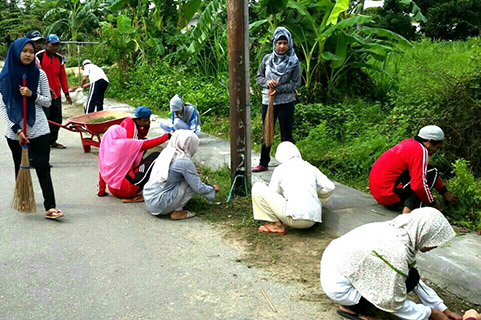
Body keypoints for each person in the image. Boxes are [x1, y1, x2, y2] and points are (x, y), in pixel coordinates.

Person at [320, 207, 462, 320]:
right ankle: (351, 308)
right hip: (340, 287)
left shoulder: (399, 231)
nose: (434, 246)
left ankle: (355, 304)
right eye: (433, 240)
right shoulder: (396, 254)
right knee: (399, 286)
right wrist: (430, 313)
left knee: (412, 276)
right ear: (423, 233)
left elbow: (414, 279)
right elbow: (393, 302)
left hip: (336, 267)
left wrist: (442, 308)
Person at [0, 38, 63, 219]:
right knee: (20, 167)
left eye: (31, 51)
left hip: (39, 129)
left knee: (43, 167)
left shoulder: (39, 74)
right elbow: (3, 107)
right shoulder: (5, 77)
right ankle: (24, 197)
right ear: (16, 52)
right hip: (14, 131)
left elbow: (47, 101)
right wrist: (17, 129)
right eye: (24, 51)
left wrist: (31, 94)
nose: (28, 54)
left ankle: (50, 206)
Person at [251, 141, 335, 235]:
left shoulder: (280, 169)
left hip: (295, 220)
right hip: (314, 219)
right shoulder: (310, 167)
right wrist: (316, 197)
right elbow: (330, 186)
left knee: (257, 188)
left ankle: (276, 225)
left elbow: (273, 192)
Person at [369, 125, 457, 214]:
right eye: (437, 147)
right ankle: (408, 211)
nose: (436, 151)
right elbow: (419, 186)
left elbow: (427, 169)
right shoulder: (421, 151)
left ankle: (407, 205)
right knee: (432, 172)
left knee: (430, 171)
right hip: (389, 197)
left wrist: (445, 193)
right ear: (429, 142)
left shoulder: (408, 143)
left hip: (380, 194)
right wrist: (433, 204)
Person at [251, 26, 301, 173]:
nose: (282, 46)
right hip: (268, 102)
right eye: (279, 43)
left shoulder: (294, 61)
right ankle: (263, 162)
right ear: (274, 44)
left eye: (285, 43)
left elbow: (296, 83)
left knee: (286, 134)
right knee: (267, 131)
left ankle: (291, 165)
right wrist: (267, 83)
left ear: (289, 44)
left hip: (286, 102)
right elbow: (259, 77)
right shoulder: (267, 59)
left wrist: (278, 89)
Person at [143, 130, 219, 220]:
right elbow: (198, 187)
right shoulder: (184, 162)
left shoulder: (167, 153)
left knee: (188, 178)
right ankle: (178, 211)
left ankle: (173, 205)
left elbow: (172, 173)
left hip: (149, 199)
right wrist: (212, 189)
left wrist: (190, 172)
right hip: (160, 204)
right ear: (189, 145)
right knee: (190, 182)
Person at [97, 124, 170, 200]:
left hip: (113, 189)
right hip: (127, 188)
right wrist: (167, 136)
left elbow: (102, 172)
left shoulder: (104, 149)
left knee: (139, 154)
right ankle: (155, 188)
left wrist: (101, 191)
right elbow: (148, 144)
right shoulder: (123, 144)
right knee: (156, 156)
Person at [36, 34, 72, 149]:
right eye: (53, 44)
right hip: (43, 94)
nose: (55, 47)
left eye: (57, 45)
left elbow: (62, 76)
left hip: (56, 94)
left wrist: (66, 93)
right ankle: (43, 141)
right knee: (45, 118)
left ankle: (52, 141)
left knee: (56, 119)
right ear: (46, 44)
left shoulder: (59, 58)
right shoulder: (39, 57)